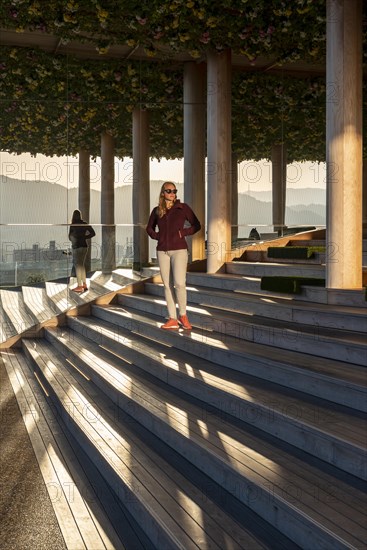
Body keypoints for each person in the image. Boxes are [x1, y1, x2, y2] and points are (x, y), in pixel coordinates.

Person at [146, 181, 201, 330]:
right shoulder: (157, 211)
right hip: (162, 250)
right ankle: (172, 319)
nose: (172, 193)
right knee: (167, 285)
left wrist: (183, 232)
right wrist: (158, 236)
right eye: (169, 191)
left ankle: (183, 315)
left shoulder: (182, 208)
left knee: (179, 283)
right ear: (163, 193)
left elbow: (197, 225)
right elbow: (149, 228)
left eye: (174, 191)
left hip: (179, 250)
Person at [68, 209, 95, 292]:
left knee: (77, 266)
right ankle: (84, 285)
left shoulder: (73, 225)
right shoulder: (84, 224)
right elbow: (93, 233)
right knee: (81, 266)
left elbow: (70, 237)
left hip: (76, 247)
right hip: (84, 246)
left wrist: (75, 239)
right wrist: (84, 237)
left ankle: (80, 286)